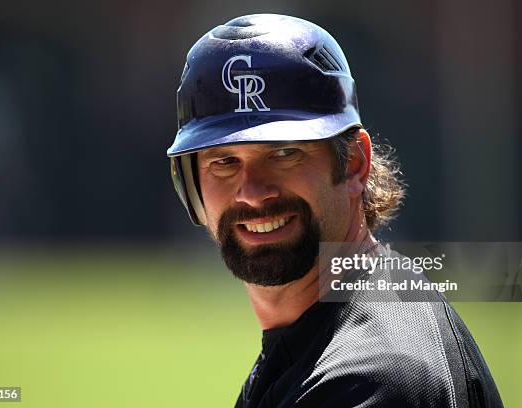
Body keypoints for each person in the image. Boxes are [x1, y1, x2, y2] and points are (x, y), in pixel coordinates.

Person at [167, 13, 503, 408]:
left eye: (285, 153)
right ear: (191, 185)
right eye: (224, 162)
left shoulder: (369, 378)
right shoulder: (332, 333)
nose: (253, 193)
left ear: (354, 163)